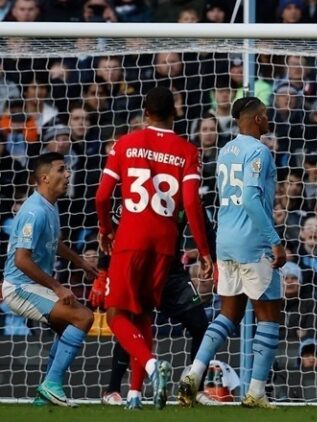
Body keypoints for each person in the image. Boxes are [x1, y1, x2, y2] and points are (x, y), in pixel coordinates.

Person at [94, 87, 213, 410]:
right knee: (143, 314)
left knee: (116, 312)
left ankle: (149, 364)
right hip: (164, 245)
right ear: (175, 112)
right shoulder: (187, 150)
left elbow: (102, 196)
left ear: (145, 112)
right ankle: (134, 394)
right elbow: (191, 202)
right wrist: (203, 251)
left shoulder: (125, 144)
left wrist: (105, 229)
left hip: (130, 239)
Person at [177, 97, 285, 409]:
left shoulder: (226, 150)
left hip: (225, 240)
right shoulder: (259, 151)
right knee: (269, 314)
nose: (267, 120)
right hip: (253, 242)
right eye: (264, 116)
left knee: (229, 313)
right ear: (258, 119)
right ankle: (256, 392)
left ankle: (193, 374)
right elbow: (251, 198)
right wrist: (275, 240)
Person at [1, 152, 98, 406]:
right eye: (61, 170)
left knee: (68, 326)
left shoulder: (49, 205)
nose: (67, 175)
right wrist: (57, 286)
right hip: (19, 287)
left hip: (31, 285)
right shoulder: (35, 211)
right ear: (44, 177)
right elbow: (22, 260)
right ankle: (52, 384)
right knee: (83, 317)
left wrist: (81, 263)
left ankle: (44, 399)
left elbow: (55, 243)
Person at [92, 205, 214, 407]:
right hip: (141, 267)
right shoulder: (141, 188)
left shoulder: (186, 193)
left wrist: (211, 259)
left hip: (172, 272)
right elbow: (110, 229)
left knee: (200, 325)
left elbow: (205, 227)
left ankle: (194, 389)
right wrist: (103, 270)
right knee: (133, 321)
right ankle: (114, 389)